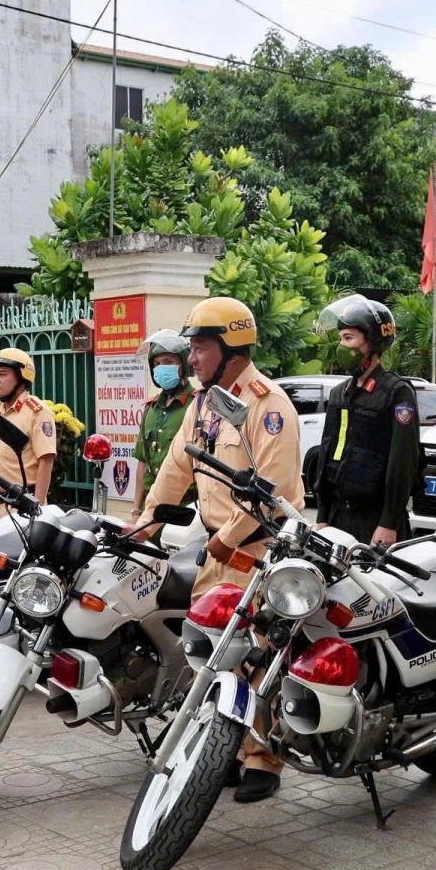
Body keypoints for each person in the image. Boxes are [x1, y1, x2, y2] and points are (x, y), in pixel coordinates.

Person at [136, 296, 303, 804]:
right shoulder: (204, 403)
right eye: (191, 348)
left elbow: (273, 489)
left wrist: (227, 538)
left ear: (232, 349)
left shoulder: (268, 406)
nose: (191, 358)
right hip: (216, 549)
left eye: (201, 348)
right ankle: (224, 750)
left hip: (257, 551)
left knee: (258, 656)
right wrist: (145, 522)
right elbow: (175, 470)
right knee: (212, 653)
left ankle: (262, 759)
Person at [311, 296, 420, 546]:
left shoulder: (396, 392)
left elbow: (403, 462)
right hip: (338, 517)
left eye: (349, 338)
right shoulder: (339, 393)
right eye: (341, 338)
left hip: (375, 522)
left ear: (372, 343)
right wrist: (323, 515)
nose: (341, 346)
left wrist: (389, 521)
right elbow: (327, 453)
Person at [132, 329, 195, 506]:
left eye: (168, 362)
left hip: (183, 507)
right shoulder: (150, 409)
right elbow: (142, 462)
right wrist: (136, 510)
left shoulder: (197, 406)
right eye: (157, 363)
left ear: (183, 364)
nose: (161, 368)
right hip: (150, 507)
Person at [0, 347, 57, 504]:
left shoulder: (37, 412)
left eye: (2, 374)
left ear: (21, 378)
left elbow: (46, 461)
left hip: (21, 504)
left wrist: (37, 506)